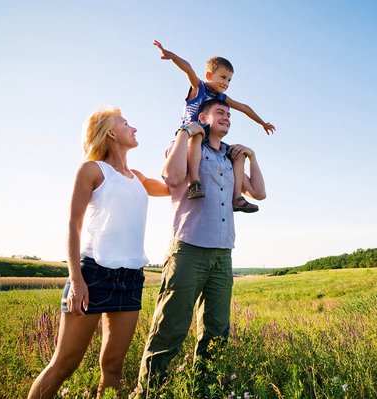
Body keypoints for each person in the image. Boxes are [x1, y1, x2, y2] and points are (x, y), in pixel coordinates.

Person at [28, 107, 169, 399]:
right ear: (111, 133)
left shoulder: (138, 178)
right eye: (127, 123)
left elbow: (174, 187)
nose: (134, 128)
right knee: (65, 363)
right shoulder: (92, 170)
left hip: (130, 278)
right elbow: (73, 224)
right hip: (92, 274)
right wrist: (76, 280)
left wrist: (184, 143)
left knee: (113, 366)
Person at [137, 98, 266, 389]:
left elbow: (259, 192)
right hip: (189, 248)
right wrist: (186, 131)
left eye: (230, 115)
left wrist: (252, 156)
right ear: (203, 117)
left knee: (217, 330)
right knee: (170, 326)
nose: (227, 117)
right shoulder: (189, 147)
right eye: (220, 112)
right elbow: (170, 177)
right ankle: (149, 391)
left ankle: (205, 389)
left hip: (223, 253)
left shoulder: (228, 159)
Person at [153, 40, 274, 212]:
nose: (226, 83)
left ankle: (236, 198)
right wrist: (171, 55)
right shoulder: (199, 87)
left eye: (229, 80)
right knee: (198, 134)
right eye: (223, 77)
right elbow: (188, 68)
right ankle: (195, 182)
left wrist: (262, 123)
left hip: (209, 138)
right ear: (209, 75)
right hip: (191, 133)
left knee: (238, 154)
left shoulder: (222, 98)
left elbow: (244, 107)